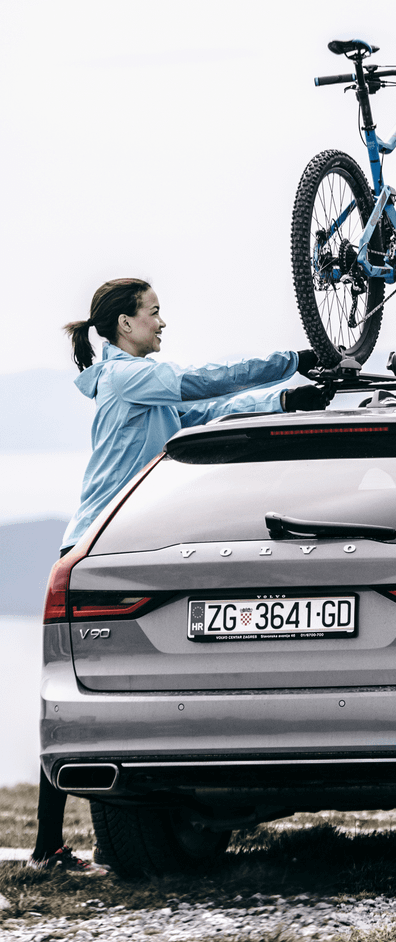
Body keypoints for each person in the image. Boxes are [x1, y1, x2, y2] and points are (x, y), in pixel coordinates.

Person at [30, 277, 326, 872]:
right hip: (95, 546)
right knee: (71, 691)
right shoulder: (126, 377)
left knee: (104, 686)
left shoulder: (141, 384)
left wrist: (285, 401)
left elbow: (210, 411)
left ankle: (60, 841)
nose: (163, 323)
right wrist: (291, 361)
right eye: (155, 313)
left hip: (122, 543)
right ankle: (48, 845)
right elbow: (209, 381)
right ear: (125, 325)